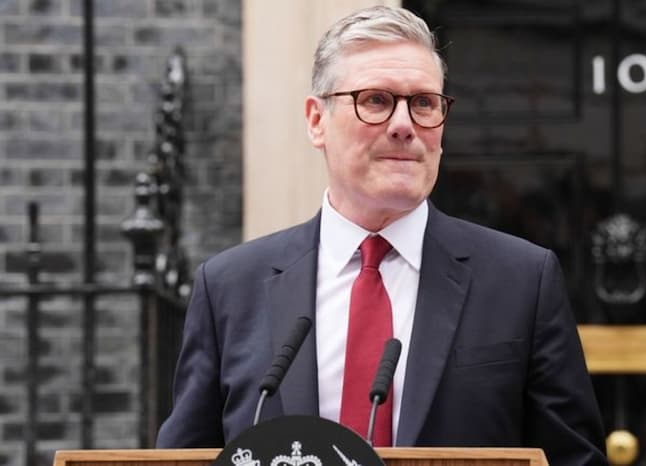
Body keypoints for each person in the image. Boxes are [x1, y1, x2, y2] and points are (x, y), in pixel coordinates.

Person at [156, 5, 607, 465]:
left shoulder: (521, 282)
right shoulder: (230, 287)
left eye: (424, 103)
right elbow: (185, 457)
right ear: (317, 121)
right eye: (375, 100)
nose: (404, 125)